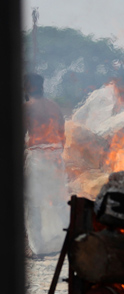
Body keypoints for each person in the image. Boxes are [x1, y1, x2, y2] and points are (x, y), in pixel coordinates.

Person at [24, 73, 69, 256]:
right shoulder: (54, 107)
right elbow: (62, 135)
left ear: (28, 87)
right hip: (56, 156)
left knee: (32, 202)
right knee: (59, 201)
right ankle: (68, 242)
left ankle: (37, 248)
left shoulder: (26, 108)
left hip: (38, 157)